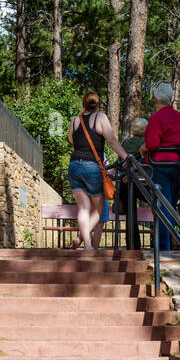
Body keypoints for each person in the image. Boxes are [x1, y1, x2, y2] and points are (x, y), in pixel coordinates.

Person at [66, 92, 127, 252]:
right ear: (97, 104)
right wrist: (126, 156)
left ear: (83, 104)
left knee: (83, 208)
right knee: (99, 209)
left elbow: (72, 140)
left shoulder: (74, 120)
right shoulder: (100, 118)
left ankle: (86, 244)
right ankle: (83, 240)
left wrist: (81, 114)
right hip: (92, 166)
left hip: (74, 165)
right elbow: (111, 140)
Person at [142, 83, 180, 253]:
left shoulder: (157, 117)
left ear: (156, 99)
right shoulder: (178, 117)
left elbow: (153, 143)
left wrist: (144, 148)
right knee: (171, 206)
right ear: (171, 99)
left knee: (163, 207)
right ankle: (170, 243)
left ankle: (163, 248)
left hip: (160, 166)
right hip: (178, 166)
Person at [114, 116, 148, 249]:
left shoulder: (126, 143)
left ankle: (132, 246)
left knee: (130, 214)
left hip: (126, 181)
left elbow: (120, 161)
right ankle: (160, 242)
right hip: (144, 182)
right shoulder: (146, 142)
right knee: (157, 208)